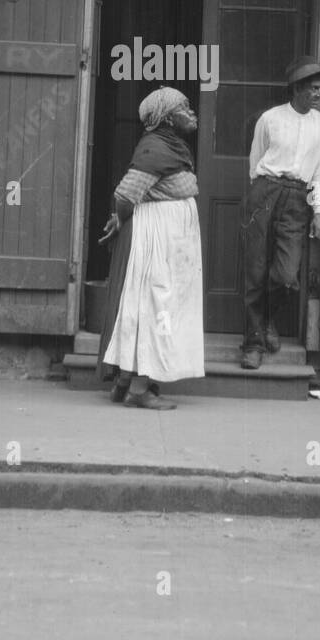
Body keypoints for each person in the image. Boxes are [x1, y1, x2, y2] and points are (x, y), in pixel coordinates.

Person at [96, 88, 205, 410]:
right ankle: (139, 389)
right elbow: (127, 193)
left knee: (149, 304)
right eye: (184, 108)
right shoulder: (155, 148)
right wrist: (120, 217)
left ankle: (125, 382)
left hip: (168, 236)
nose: (191, 111)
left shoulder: (168, 146)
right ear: (168, 118)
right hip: (158, 237)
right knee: (157, 305)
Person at [240, 56, 320, 369]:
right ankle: (252, 344)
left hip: (297, 201)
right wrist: (261, 194)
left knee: (286, 274)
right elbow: (255, 162)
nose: (319, 94)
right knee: (255, 271)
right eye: (313, 89)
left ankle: (266, 321)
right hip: (266, 191)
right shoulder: (271, 119)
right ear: (296, 89)